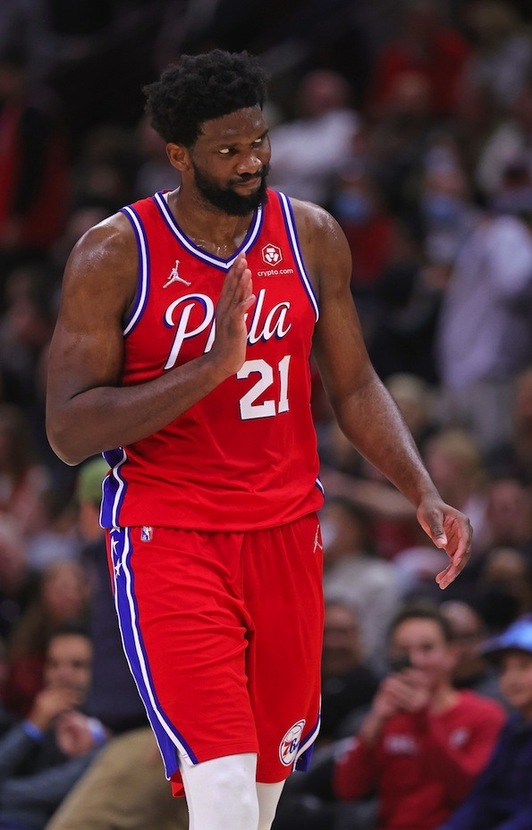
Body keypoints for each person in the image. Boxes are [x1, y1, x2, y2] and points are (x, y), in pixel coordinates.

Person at [45, 49, 472, 830]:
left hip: (284, 534)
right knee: (226, 792)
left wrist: (422, 489)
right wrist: (212, 368)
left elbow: (354, 385)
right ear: (179, 154)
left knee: (261, 800)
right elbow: (69, 429)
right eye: (228, 149)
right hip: (171, 533)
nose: (251, 162)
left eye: (259, 142)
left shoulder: (310, 235)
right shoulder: (115, 253)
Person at [332, 601, 506, 830]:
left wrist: (425, 720)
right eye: (403, 651)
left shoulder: (486, 715)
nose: (415, 660)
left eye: (427, 649)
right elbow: (348, 790)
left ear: (451, 655)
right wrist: (373, 724)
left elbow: (470, 792)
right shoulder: (387, 716)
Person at [0, 623, 104, 830]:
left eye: (77, 665)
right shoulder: (35, 720)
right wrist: (32, 726)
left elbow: (60, 790)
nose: (62, 674)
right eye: (54, 664)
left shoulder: (109, 728)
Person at [438, 614, 532, 829]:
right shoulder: (513, 728)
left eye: (524, 666)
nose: (511, 677)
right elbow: (483, 798)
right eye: (504, 669)